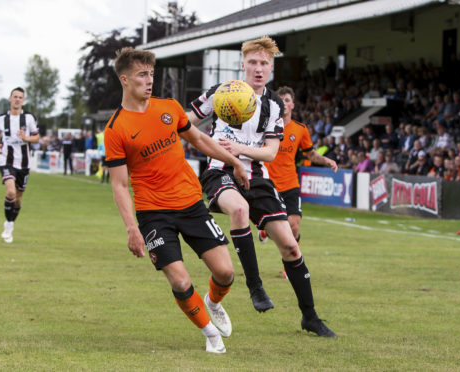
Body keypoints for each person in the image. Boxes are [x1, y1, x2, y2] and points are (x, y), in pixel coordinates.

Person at [188, 36, 337, 338]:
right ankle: (255, 287)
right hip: (221, 171)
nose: (258, 69)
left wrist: (239, 147)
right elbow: (185, 121)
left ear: (271, 68)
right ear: (242, 64)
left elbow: (269, 152)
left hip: (258, 177)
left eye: (264, 64)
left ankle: (310, 317)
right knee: (239, 210)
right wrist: (204, 143)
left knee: (290, 246)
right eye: (253, 62)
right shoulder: (220, 93)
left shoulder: (274, 104)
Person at [104, 47, 250, 354]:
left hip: (190, 204)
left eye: (152, 74)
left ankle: (212, 302)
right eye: (142, 75)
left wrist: (234, 162)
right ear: (125, 79)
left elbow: (199, 139)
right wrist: (132, 228)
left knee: (225, 273)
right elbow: (119, 185)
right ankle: (211, 335)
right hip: (153, 213)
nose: (149, 80)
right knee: (181, 281)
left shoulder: (169, 107)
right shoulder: (116, 129)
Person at [258, 86, 337, 275]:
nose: (284, 103)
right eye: (280, 100)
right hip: (268, 184)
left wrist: (326, 160)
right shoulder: (265, 126)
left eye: (287, 100)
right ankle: (265, 230)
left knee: (293, 224)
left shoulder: (300, 129)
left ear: (292, 104)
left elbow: (311, 153)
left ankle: (290, 264)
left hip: (290, 184)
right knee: (273, 224)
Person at [0, 87, 40, 243]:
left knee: (18, 198)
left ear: (23, 100)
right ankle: (8, 225)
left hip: (24, 164)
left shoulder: (29, 118)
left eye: (20, 97)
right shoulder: (1, 119)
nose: (17, 99)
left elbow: (37, 138)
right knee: (11, 192)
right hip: (6, 160)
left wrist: (25, 137)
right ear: (10, 99)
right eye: (15, 96)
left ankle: (10, 223)